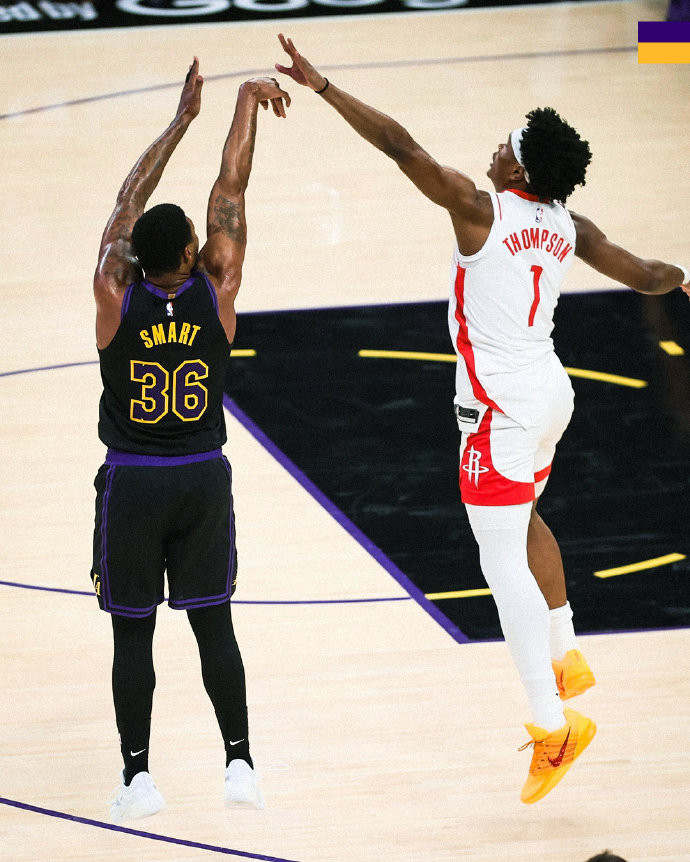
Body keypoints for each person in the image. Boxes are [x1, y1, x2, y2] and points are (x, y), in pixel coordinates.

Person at [274, 34, 690, 805]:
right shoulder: (569, 225)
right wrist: (685, 275)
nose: (494, 148)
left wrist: (325, 87)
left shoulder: (479, 209)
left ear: (518, 171)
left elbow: (401, 147)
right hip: (550, 396)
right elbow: (646, 275)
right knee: (525, 521)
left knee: (501, 569)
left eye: (506, 144)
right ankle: (565, 653)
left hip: (500, 410)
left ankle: (553, 727)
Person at [91, 57, 290, 822]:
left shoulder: (114, 293)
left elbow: (126, 201)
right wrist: (243, 103)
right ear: (191, 256)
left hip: (134, 481)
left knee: (132, 636)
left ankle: (138, 778)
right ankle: (240, 763)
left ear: (136, 259)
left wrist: (180, 120)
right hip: (202, 477)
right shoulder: (218, 286)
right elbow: (231, 191)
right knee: (214, 626)